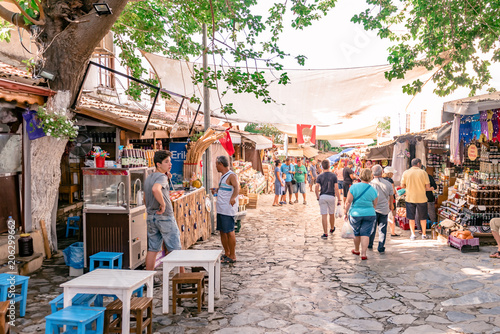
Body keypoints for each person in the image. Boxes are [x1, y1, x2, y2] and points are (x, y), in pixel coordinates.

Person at [144, 150, 182, 272]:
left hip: (151, 216)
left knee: (153, 248)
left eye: (170, 161)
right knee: (175, 248)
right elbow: (156, 190)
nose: (169, 164)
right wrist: (163, 204)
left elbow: (145, 198)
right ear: (158, 164)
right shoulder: (161, 177)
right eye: (166, 162)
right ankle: (183, 278)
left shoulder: (149, 177)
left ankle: (147, 279)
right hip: (164, 216)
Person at [344, 168, 378, 260]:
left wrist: (345, 212)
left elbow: (348, 202)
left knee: (356, 232)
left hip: (355, 213)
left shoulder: (354, 187)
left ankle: (356, 249)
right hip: (369, 213)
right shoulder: (373, 190)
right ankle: (363, 254)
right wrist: (369, 210)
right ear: (371, 177)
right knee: (366, 234)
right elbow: (375, 204)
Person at [213, 156, 239, 263]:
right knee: (222, 231)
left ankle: (232, 255)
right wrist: (217, 190)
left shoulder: (231, 175)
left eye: (216, 164)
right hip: (221, 208)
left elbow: (237, 187)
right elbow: (225, 188)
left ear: (220, 164)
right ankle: (226, 253)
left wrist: (233, 197)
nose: (215, 167)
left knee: (229, 231)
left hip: (227, 208)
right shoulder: (223, 176)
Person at [401, 158, 433, 240]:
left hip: (410, 198)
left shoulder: (406, 172)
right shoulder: (423, 173)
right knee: (423, 217)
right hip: (421, 198)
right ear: (419, 164)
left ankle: (413, 234)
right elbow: (427, 186)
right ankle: (424, 234)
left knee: (411, 217)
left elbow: (402, 186)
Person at [368, 165, 394, 253]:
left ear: (372, 173)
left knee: (372, 227)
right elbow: (391, 195)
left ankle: (370, 244)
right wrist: (391, 205)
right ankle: (381, 246)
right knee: (382, 228)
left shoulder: (370, 184)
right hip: (384, 209)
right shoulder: (388, 183)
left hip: (373, 209)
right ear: (382, 172)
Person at [315, 159, 341, 239]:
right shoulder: (333, 176)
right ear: (329, 166)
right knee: (331, 213)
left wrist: (317, 196)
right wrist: (339, 199)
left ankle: (325, 233)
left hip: (323, 196)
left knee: (324, 214)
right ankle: (332, 228)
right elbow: (336, 188)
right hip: (331, 196)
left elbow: (316, 187)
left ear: (322, 167)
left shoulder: (320, 176)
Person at [383, 166, 400, 237]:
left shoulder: (381, 179)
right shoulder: (390, 180)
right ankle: (392, 232)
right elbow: (392, 191)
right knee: (392, 215)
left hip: (383, 199)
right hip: (390, 199)